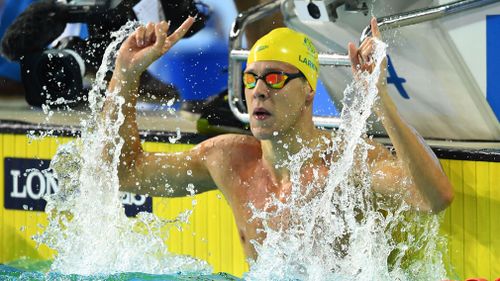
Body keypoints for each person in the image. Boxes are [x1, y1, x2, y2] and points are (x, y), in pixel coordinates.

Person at [105, 16, 454, 261]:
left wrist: (378, 100)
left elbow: (433, 198)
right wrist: (125, 75)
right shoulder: (229, 159)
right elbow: (126, 172)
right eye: (251, 78)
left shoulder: (346, 161)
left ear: (307, 92)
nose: (258, 90)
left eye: (274, 79)